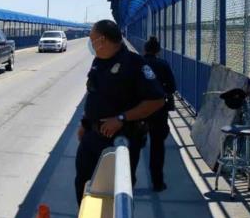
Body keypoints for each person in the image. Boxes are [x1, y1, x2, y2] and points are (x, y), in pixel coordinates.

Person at [75, 20, 166, 205]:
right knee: (84, 184)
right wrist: (85, 123)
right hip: (92, 137)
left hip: (120, 141)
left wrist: (121, 118)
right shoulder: (99, 61)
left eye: (92, 38)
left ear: (102, 40)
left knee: (116, 193)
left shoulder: (135, 64)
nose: (90, 42)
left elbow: (157, 99)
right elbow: (95, 94)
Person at [142, 36, 177, 192]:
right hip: (158, 110)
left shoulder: (138, 63)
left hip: (139, 110)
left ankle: (129, 182)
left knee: (134, 146)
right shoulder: (163, 64)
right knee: (157, 146)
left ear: (145, 49)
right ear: (158, 51)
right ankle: (157, 183)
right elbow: (172, 87)